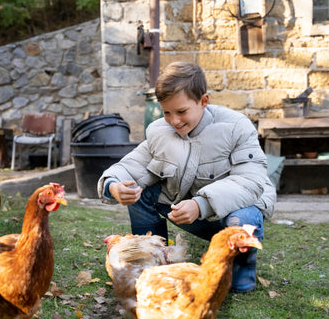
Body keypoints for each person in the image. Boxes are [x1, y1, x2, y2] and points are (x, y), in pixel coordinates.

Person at [97, 62, 276, 293]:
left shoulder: (237, 127)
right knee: (138, 190)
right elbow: (132, 166)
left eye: (181, 111)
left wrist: (201, 204)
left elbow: (251, 182)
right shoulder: (159, 131)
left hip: (232, 216)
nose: (174, 121)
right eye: (166, 112)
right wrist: (113, 185)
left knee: (242, 223)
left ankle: (241, 267)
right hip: (185, 211)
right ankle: (153, 258)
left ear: (203, 101)